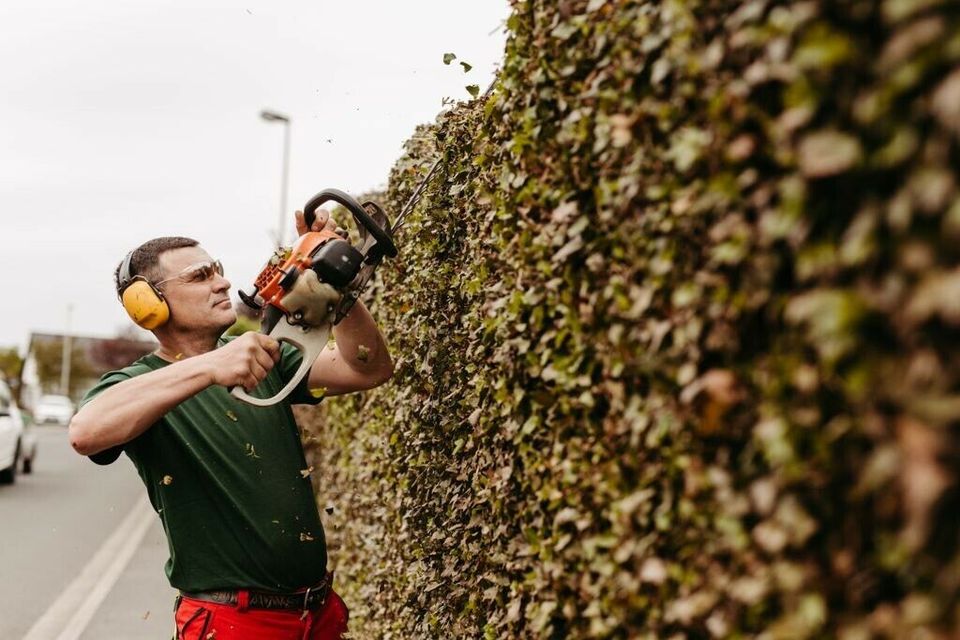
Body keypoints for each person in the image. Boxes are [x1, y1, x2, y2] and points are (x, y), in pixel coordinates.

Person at [68, 209, 393, 640]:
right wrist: (208, 367)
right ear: (146, 304)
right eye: (201, 275)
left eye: (218, 270)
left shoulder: (257, 355)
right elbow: (85, 432)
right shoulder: (137, 383)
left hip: (316, 612)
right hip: (233, 622)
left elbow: (367, 369)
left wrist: (335, 288)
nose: (221, 281)